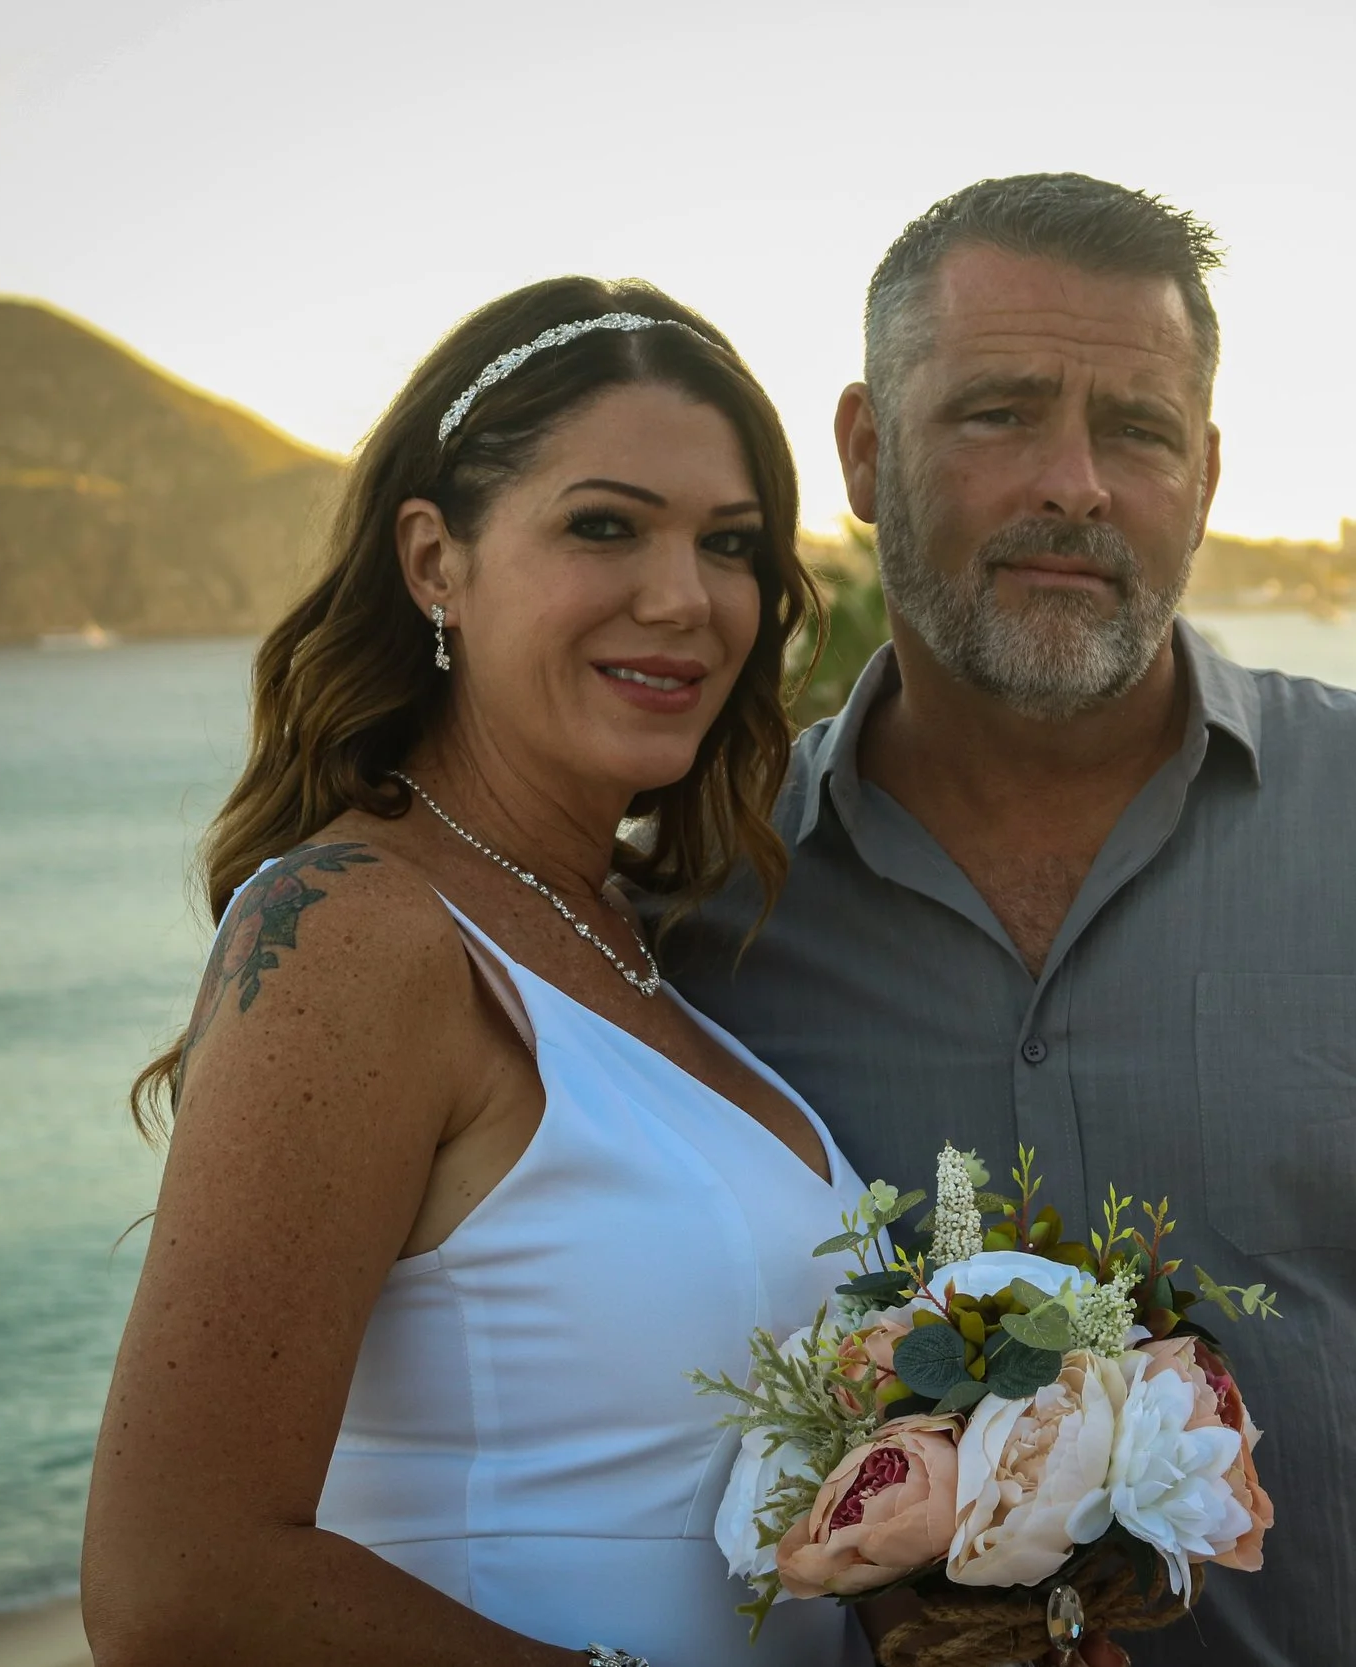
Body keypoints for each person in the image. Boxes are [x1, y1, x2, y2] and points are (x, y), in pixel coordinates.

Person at [666, 174, 1356, 1665]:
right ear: (863, 452)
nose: (1077, 483)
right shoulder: (704, 897)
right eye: (998, 414)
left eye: (1139, 430)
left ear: (1209, 476)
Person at [83, 277, 877, 1667]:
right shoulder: (357, 930)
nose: (684, 597)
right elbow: (176, 1585)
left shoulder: (635, 936)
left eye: (732, 542)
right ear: (434, 558)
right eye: (604, 526)